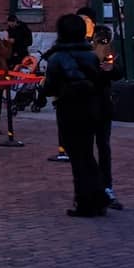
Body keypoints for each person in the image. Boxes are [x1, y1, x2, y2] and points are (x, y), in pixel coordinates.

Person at [43, 12, 107, 217]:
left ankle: (85, 201)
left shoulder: (57, 57)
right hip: (90, 109)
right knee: (88, 154)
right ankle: (98, 197)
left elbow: (50, 87)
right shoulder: (90, 55)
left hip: (69, 109)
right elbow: (98, 82)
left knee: (78, 158)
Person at [91, 27, 124, 210]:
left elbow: (119, 71)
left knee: (103, 147)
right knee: (88, 149)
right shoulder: (85, 51)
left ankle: (106, 187)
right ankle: (93, 187)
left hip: (103, 105)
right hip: (88, 103)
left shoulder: (111, 50)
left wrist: (111, 69)